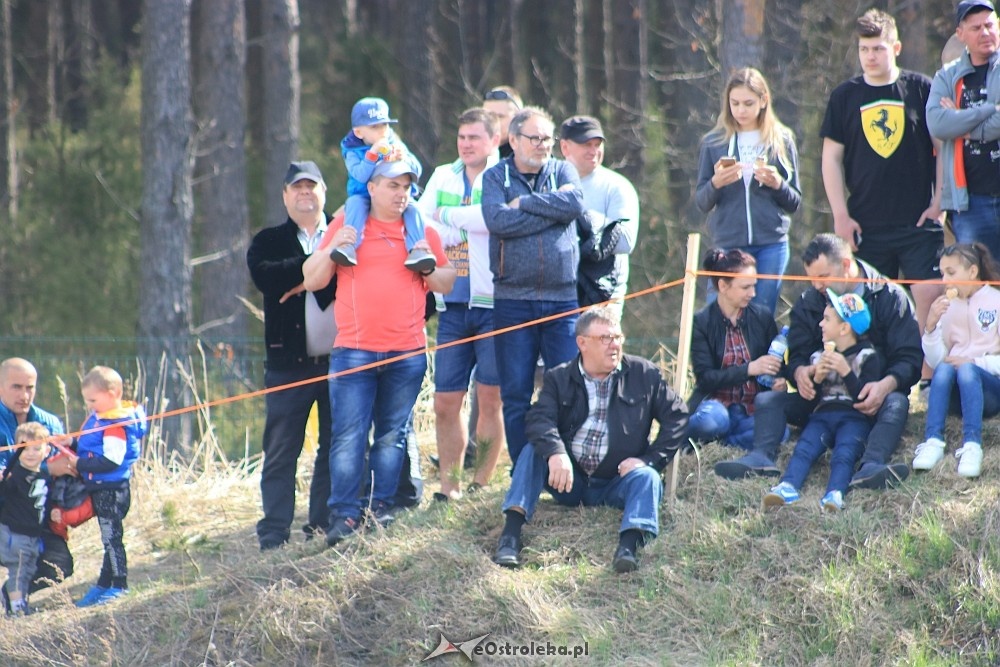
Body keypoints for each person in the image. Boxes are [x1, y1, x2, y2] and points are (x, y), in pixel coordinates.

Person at [303, 160, 456, 547]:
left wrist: (427, 267)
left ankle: (381, 509)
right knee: (348, 436)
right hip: (353, 352)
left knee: (392, 436)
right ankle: (344, 514)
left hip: (406, 353)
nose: (400, 193)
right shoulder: (348, 226)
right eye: (392, 185)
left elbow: (448, 282)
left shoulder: (421, 230)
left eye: (406, 186)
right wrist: (333, 250)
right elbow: (312, 278)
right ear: (370, 188)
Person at [714, 234, 922, 490]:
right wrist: (800, 372)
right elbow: (797, 354)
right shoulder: (808, 302)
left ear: (846, 265)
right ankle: (761, 457)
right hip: (822, 402)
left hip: (872, 401)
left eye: (822, 277)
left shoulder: (889, 296)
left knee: (896, 402)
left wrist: (885, 385)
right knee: (769, 400)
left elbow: (910, 358)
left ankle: (871, 466)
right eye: (811, 278)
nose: (816, 285)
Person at [491, 307, 688, 573]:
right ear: (582, 343)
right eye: (605, 338)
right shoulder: (559, 377)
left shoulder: (644, 374)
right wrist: (556, 452)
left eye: (618, 337)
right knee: (533, 450)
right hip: (569, 481)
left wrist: (649, 459)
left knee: (648, 477)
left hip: (616, 480)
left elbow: (677, 416)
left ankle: (629, 547)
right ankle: (510, 536)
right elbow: (539, 420)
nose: (614, 345)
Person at [821, 9, 943, 392]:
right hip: (865, 221)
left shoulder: (922, 88)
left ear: (896, 47)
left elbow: (943, 150)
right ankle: (880, 373)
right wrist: (841, 216)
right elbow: (831, 159)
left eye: (877, 48)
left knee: (927, 292)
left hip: (918, 219)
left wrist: (940, 200)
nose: (870, 56)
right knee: (869, 301)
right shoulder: (844, 97)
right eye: (863, 49)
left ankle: (926, 374)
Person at [482, 106, 584, 467]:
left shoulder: (562, 170)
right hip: (513, 301)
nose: (543, 145)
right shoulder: (495, 177)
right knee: (516, 393)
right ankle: (525, 471)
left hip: (561, 302)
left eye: (547, 139)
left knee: (567, 390)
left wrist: (525, 203)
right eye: (535, 138)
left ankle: (566, 466)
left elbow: (574, 203)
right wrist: (550, 217)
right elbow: (497, 220)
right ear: (513, 140)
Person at [247, 160, 338, 550]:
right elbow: (266, 276)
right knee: (282, 451)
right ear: (285, 196)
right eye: (296, 188)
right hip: (288, 366)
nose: (305, 193)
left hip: (341, 363)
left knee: (335, 448)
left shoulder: (345, 232)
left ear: (323, 193)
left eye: (311, 186)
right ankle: (273, 533)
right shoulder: (267, 240)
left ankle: (322, 524)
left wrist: (300, 280)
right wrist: (318, 266)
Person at [418, 108, 506, 500]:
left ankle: (480, 484)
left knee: (490, 399)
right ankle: (448, 487)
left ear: (494, 140)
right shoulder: (441, 175)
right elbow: (420, 223)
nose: (466, 144)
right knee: (444, 401)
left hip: (494, 305)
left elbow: (495, 220)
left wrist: (449, 218)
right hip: (451, 305)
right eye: (462, 137)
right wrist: (459, 230)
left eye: (474, 137)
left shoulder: (504, 175)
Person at [695, 67, 801, 315]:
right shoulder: (714, 142)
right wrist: (716, 183)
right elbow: (701, 201)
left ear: (764, 101)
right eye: (735, 103)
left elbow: (794, 202)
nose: (741, 110)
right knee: (719, 315)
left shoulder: (781, 140)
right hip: (728, 245)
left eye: (748, 103)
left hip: (771, 244)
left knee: (760, 316)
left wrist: (778, 184)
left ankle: (761, 356)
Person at [763, 292, 881, 512]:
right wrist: (816, 379)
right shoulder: (818, 357)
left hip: (854, 418)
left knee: (845, 453)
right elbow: (812, 401)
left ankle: (835, 493)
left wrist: (846, 372)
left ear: (845, 328)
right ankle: (788, 486)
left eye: (827, 319)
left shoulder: (868, 356)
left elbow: (865, 399)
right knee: (804, 448)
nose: (820, 324)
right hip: (822, 415)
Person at [911, 243, 1000, 478]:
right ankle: (933, 441)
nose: (945, 280)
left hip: (989, 390)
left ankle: (972, 445)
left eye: (951, 273)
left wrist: (972, 361)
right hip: (955, 394)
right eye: (942, 273)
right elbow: (938, 359)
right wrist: (930, 328)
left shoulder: (996, 301)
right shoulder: (945, 306)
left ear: (972, 272)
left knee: (968, 370)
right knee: (943, 369)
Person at [687, 249, 783, 450]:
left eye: (754, 286)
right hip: (716, 406)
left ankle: (724, 443)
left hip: (752, 408)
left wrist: (779, 380)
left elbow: (778, 364)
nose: (753, 293)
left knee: (781, 431)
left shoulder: (762, 317)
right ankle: (719, 435)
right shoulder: (701, 322)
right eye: (745, 287)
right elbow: (705, 379)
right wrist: (749, 369)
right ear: (723, 285)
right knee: (709, 422)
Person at [927, 0, 1000, 261]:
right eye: (976, 27)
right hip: (970, 202)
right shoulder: (947, 77)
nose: (985, 32)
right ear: (961, 34)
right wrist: (988, 110)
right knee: (979, 282)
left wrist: (963, 123)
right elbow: (938, 123)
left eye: (990, 25)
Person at [328, 97, 435, 272]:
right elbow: (360, 176)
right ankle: (349, 247)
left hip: (392, 196)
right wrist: (372, 154)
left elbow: (418, 169)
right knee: (354, 205)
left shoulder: (394, 141)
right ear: (358, 132)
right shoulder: (352, 150)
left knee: (414, 209)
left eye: (385, 125)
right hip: (363, 193)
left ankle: (417, 250)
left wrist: (405, 157)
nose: (382, 132)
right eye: (374, 127)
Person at [71, 366, 146, 607]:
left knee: (112, 538)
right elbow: (92, 446)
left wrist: (78, 463)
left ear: (112, 393)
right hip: (101, 488)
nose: (90, 405)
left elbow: (111, 460)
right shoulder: (100, 417)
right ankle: (103, 584)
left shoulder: (114, 424)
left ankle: (120, 585)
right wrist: (71, 442)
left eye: (93, 399)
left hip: (111, 490)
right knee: (108, 538)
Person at [0, 358, 74, 600]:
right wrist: (49, 469)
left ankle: (11, 595)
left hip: (37, 515)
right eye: (16, 387)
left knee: (59, 566)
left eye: (30, 387)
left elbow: (67, 468)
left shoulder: (49, 423)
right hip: (4, 514)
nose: (24, 394)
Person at [559, 115, 640, 319]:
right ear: (565, 148)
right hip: (557, 290)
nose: (594, 151)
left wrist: (586, 225)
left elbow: (626, 241)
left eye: (597, 144)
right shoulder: (550, 181)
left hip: (602, 293)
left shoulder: (617, 186)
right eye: (586, 144)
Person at [0, 422, 51, 616]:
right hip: (14, 532)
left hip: (33, 533)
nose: (30, 453)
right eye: (24, 449)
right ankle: (17, 610)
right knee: (18, 569)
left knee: (29, 570)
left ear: (47, 450)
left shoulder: (44, 475)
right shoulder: (13, 476)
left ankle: (17, 602)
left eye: (36, 448)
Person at [483, 86, 522, 159]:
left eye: (500, 117)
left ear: (517, 119)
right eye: (487, 117)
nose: (491, 122)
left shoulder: (526, 157)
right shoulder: (472, 154)